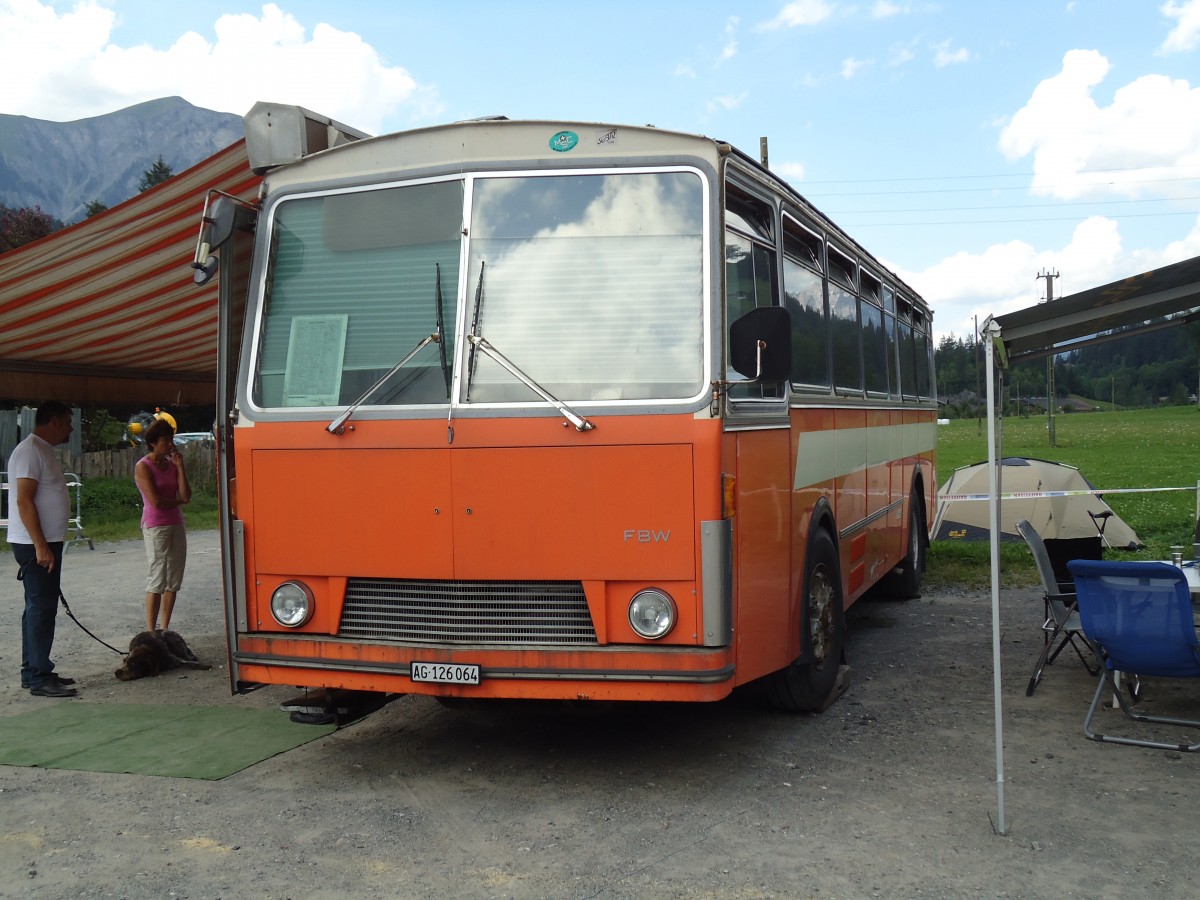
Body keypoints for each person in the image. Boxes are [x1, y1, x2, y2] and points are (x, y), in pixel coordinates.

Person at [7, 400, 78, 697]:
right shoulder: (30, 451)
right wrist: (40, 545)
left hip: (45, 540)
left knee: (38, 606)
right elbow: (24, 500)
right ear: (53, 422)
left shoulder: (42, 450)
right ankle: (38, 676)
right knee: (41, 608)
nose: (70, 428)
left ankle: (34, 668)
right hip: (35, 542)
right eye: (67, 422)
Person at [133, 418, 191, 632]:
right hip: (156, 526)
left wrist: (180, 467)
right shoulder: (143, 466)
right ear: (153, 443)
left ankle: (165, 628)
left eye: (171, 440)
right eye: (165, 440)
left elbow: (186, 495)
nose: (169, 445)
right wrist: (178, 502)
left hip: (176, 523)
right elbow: (156, 501)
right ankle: (150, 630)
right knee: (157, 577)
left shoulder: (171, 465)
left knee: (173, 577)